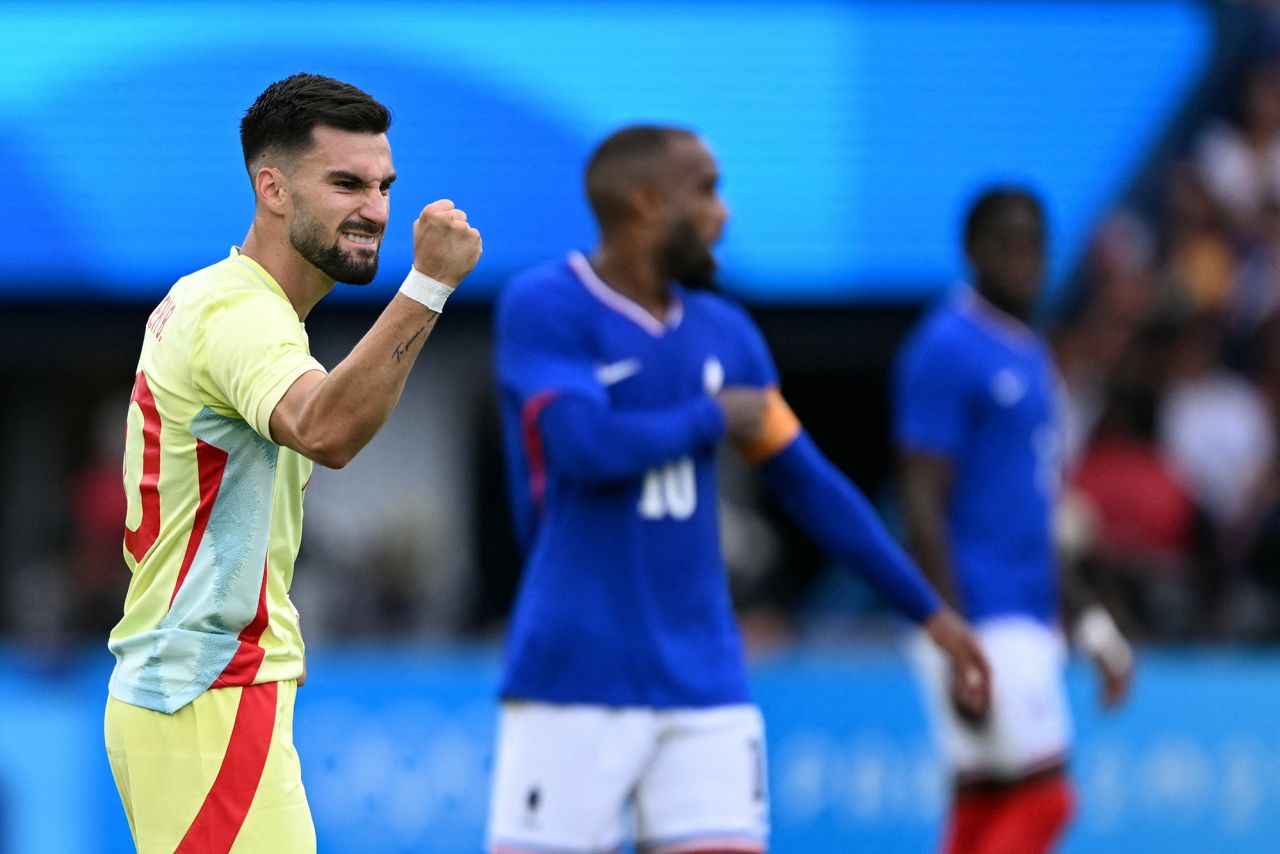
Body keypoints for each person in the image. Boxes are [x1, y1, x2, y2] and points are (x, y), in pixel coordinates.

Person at [487, 125, 991, 854]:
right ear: (648, 202)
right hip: (575, 670)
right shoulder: (546, 305)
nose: (724, 214)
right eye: (707, 190)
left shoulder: (728, 335)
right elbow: (583, 446)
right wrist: (707, 417)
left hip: (706, 677)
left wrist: (930, 614)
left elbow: (812, 487)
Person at [104, 73, 482, 852]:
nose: (375, 209)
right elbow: (326, 428)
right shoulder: (240, 314)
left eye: (383, 185)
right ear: (271, 188)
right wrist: (431, 283)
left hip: (194, 695)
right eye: (345, 182)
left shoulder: (223, 299)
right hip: (205, 697)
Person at [894, 187, 1133, 854]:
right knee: (1046, 796)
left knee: (982, 805)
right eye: (1006, 244)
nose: (1022, 260)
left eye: (1034, 245)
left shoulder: (1027, 352)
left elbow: (1035, 507)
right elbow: (920, 494)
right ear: (971, 250)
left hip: (1024, 609)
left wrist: (1088, 620)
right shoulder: (946, 345)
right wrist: (952, 631)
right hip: (981, 612)